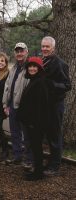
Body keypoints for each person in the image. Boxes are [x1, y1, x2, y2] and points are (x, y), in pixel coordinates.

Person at [41, 36, 71, 175]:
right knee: (47, 135)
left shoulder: (60, 63)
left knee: (54, 136)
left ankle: (55, 166)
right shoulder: (43, 61)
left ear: (53, 48)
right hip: (44, 105)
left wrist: (51, 84)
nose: (44, 49)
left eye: (47, 47)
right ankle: (50, 161)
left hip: (55, 105)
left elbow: (67, 85)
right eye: (43, 46)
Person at [18, 57, 49, 181]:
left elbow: (40, 106)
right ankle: (37, 170)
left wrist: (33, 123)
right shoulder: (33, 80)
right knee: (35, 147)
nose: (31, 68)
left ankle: (38, 173)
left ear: (39, 68)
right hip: (31, 122)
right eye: (30, 66)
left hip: (36, 123)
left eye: (34, 66)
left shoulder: (40, 82)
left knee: (37, 147)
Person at [2, 42, 32, 168]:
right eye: (17, 51)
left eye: (22, 51)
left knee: (27, 135)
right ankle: (17, 156)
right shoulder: (13, 68)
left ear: (26, 52)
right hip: (12, 106)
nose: (19, 53)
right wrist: (5, 104)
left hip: (24, 108)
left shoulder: (30, 68)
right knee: (15, 133)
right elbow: (7, 87)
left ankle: (29, 159)